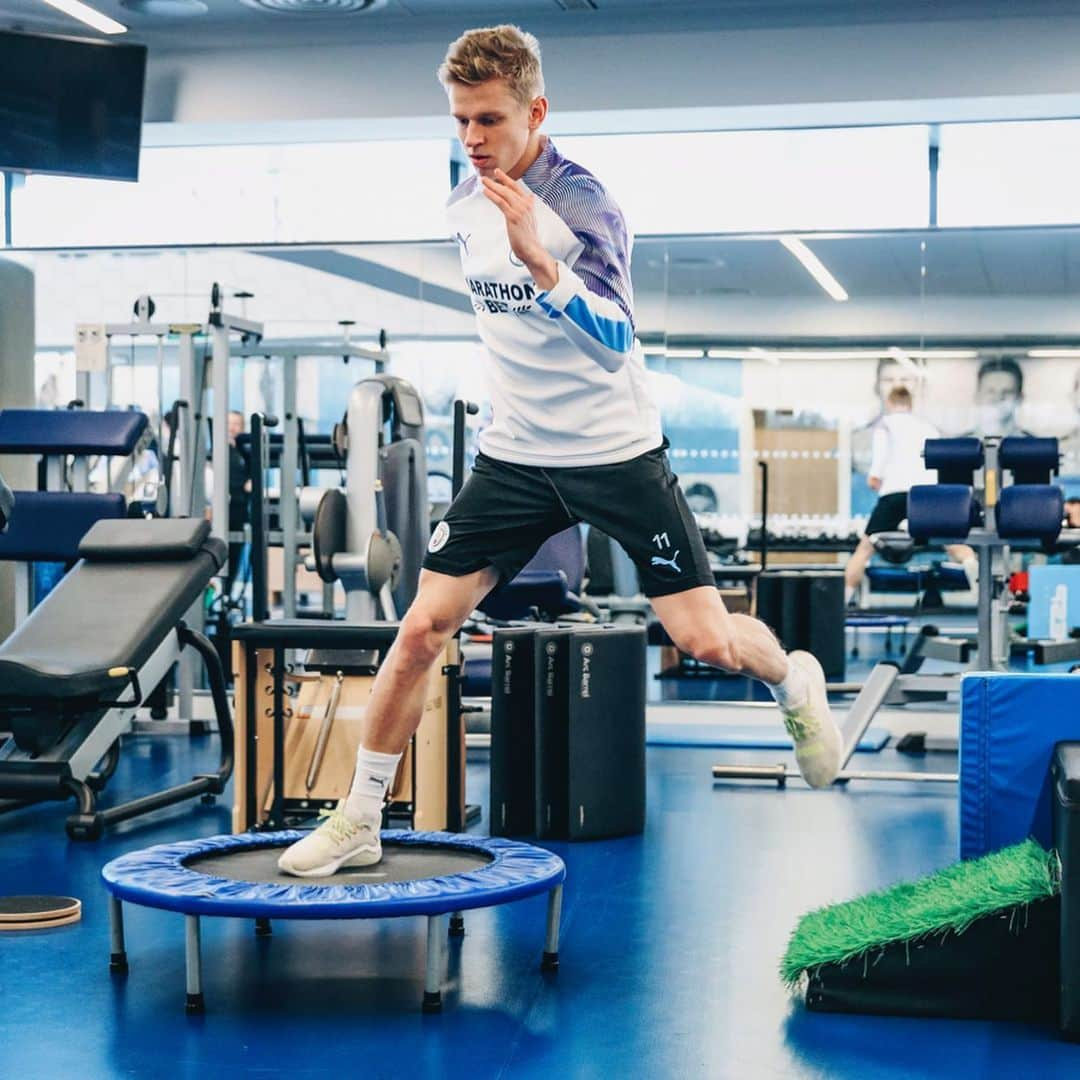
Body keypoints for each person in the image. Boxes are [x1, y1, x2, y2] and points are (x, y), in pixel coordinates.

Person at [278, 25, 842, 877]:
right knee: (425, 625)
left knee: (706, 641)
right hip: (516, 457)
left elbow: (614, 341)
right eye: (460, 121)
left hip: (616, 451)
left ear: (535, 111)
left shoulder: (583, 206)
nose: (472, 139)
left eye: (490, 120)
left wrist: (541, 262)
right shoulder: (465, 200)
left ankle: (792, 679)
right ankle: (360, 816)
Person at [844, 386, 977, 603]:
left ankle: (842, 603)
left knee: (865, 549)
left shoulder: (884, 425)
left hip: (895, 493)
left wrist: (875, 478)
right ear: (910, 404)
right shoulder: (927, 427)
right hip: (926, 496)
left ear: (889, 402)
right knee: (954, 545)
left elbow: (876, 471)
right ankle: (978, 587)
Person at [963, 357, 1032, 440]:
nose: (998, 398)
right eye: (991, 391)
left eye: (1007, 392)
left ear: (1020, 398)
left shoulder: (1037, 447)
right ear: (977, 396)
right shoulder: (957, 447)